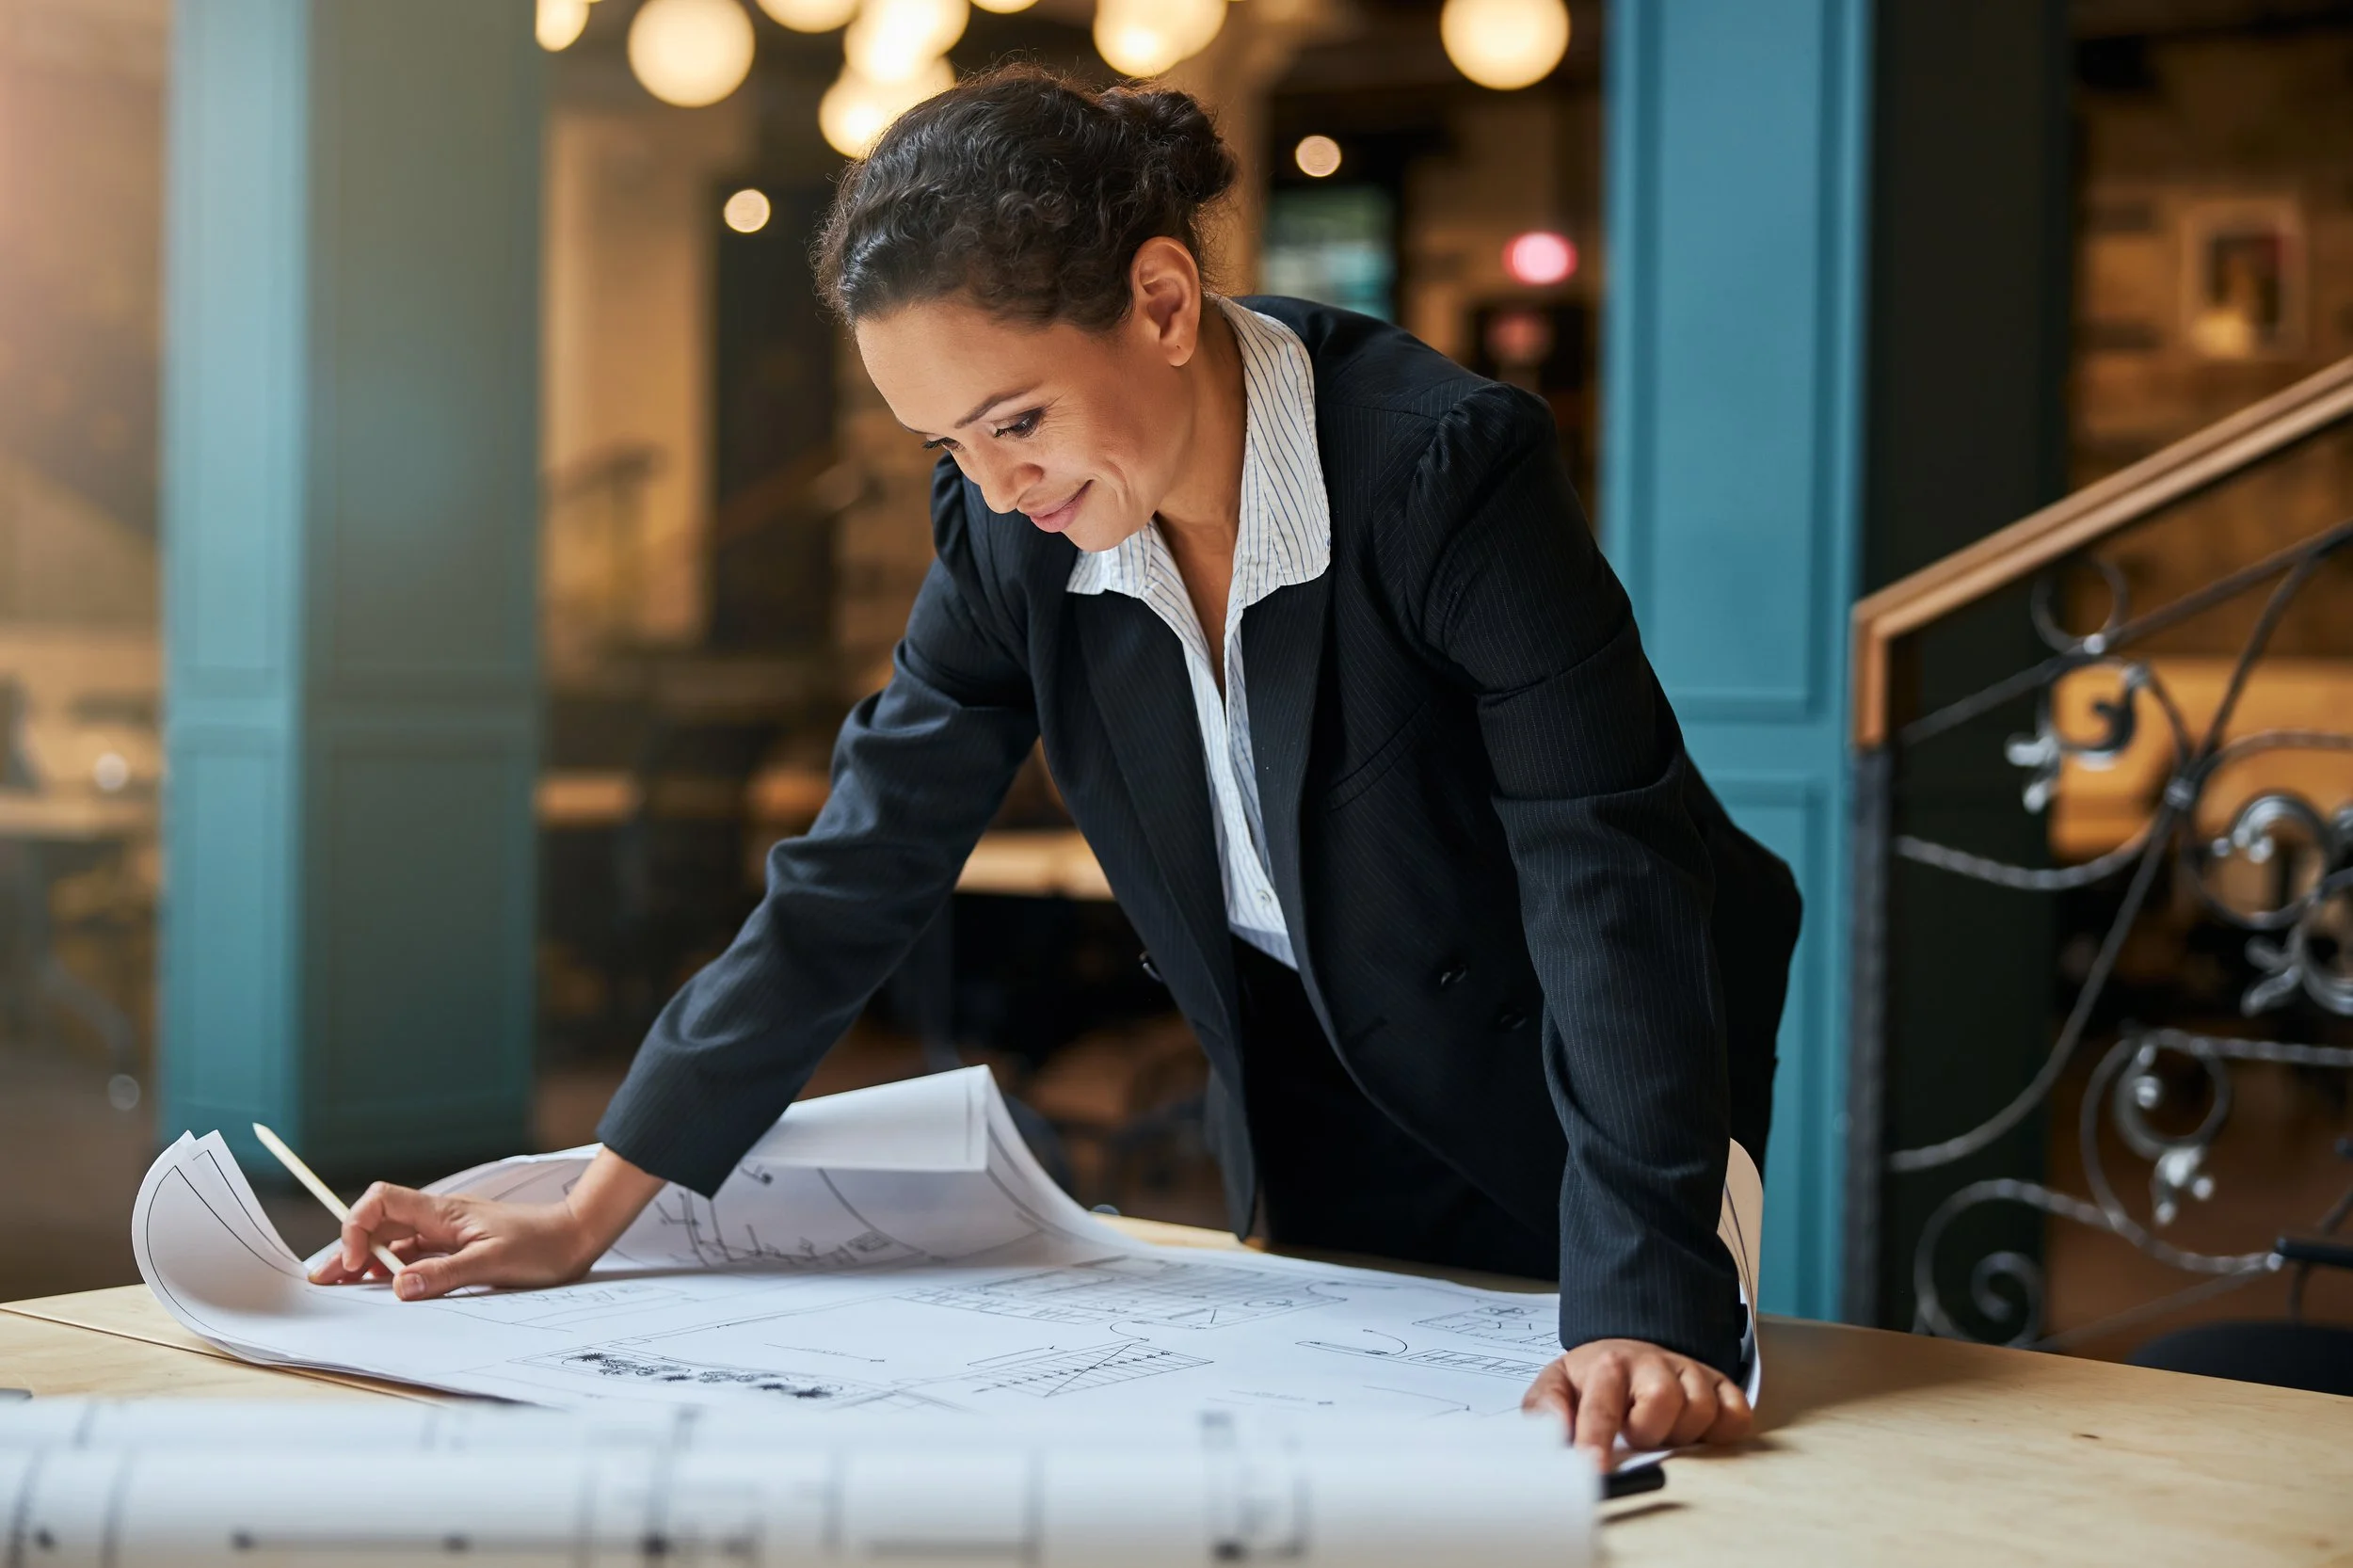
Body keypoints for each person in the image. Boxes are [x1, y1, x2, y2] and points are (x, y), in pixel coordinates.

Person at [313, 66, 1801, 1469]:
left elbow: (1607, 871)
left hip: (1601, 1058)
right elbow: (858, 867)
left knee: (1625, 1448)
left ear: (1161, 300)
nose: (999, 485)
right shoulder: (1013, 538)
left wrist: (1642, 1299)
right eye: (946, 446)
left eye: (1015, 418)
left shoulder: (1445, 471)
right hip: (1307, 1056)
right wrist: (590, 1208)